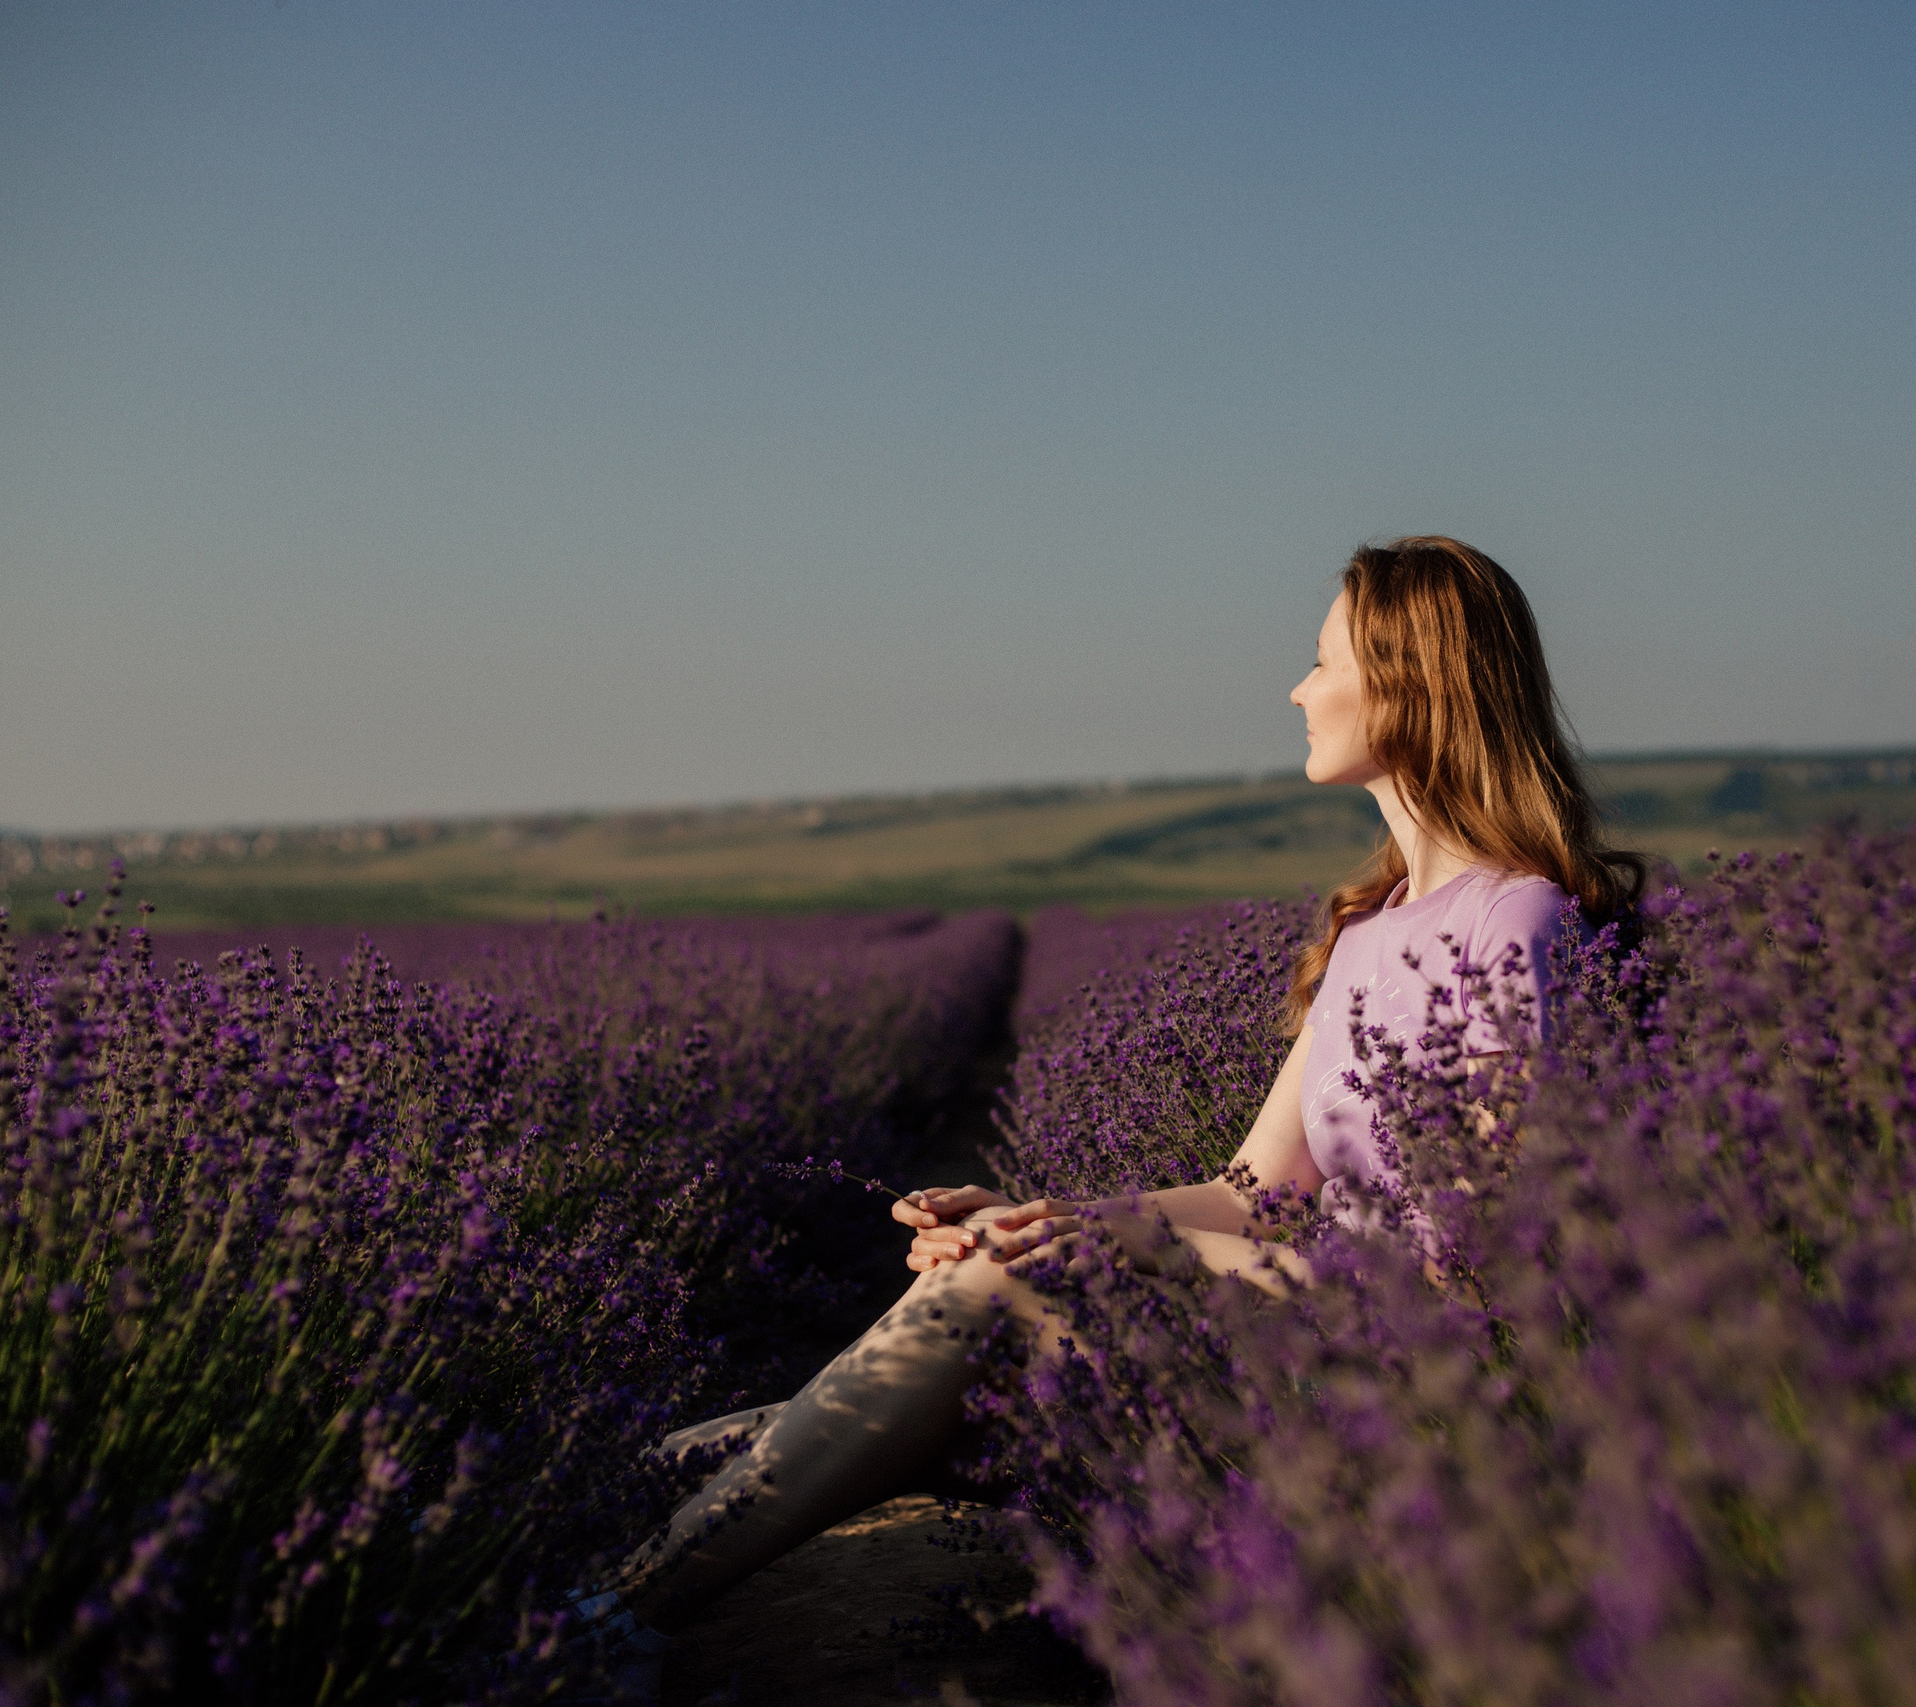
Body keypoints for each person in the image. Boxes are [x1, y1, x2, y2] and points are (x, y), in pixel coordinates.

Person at [613, 535, 1641, 1632]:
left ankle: (614, 1614)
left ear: (1408, 683)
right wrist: (1055, 1220)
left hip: (1382, 1377)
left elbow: (1464, 1284)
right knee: (961, 1306)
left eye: (1322, 661)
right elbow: (1254, 1191)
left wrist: (1143, 1245)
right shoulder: (1370, 929)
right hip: (1277, 1327)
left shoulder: (1514, 918)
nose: (1298, 691)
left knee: (962, 1319)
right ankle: (595, 1556)